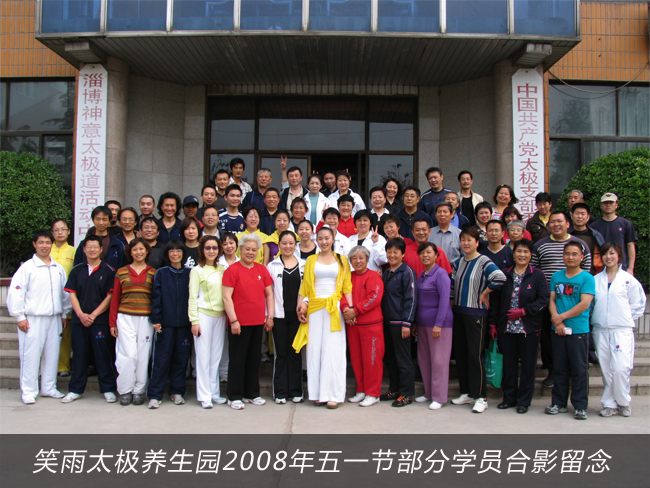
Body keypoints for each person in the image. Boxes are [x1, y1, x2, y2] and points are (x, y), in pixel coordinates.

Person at [7, 230, 71, 404]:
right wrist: (20, 316)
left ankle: (49, 387)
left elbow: (64, 294)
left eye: (48, 242)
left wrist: (64, 313)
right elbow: (16, 292)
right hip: (32, 319)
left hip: (54, 318)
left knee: (52, 355)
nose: (45, 246)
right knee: (30, 355)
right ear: (34, 245)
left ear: (52, 244)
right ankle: (29, 391)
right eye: (41, 242)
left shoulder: (58, 268)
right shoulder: (27, 268)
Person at [488, 239, 549, 414]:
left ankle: (524, 401)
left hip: (528, 328)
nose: (522, 255)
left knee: (528, 366)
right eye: (519, 251)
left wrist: (523, 311)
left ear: (531, 255)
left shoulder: (537, 275)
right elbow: (496, 301)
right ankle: (509, 398)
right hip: (506, 328)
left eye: (526, 252)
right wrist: (493, 324)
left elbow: (543, 300)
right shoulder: (504, 274)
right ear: (513, 254)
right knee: (509, 365)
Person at [531, 211, 592, 388]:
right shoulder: (540, 245)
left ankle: (574, 374)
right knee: (549, 340)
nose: (556, 224)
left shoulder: (580, 245)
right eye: (552, 222)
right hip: (548, 300)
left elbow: (586, 270)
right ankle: (552, 371)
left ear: (567, 224)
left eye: (560, 221)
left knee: (574, 341)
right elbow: (534, 269)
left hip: (574, 301)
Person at [295, 226, 353, 409]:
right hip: (314, 308)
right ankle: (318, 393)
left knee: (334, 350)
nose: (324, 242)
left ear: (333, 238)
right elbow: (305, 286)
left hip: (334, 309)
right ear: (316, 240)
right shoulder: (311, 260)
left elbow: (347, 287)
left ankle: (334, 394)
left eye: (327, 238)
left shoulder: (342, 260)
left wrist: (351, 308)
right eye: (320, 238)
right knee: (315, 350)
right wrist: (300, 306)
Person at [450, 227, 506, 414]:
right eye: (463, 240)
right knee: (461, 355)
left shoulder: (484, 261)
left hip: (476, 314)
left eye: (469, 240)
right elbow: (452, 287)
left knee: (475, 355)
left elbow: (500, 278)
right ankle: (467, 392)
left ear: (476, 242)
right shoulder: (458, 262)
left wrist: (485, 292)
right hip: (459, 312)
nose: (466, 243)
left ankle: (481, 396)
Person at [592, 242, 646, 418]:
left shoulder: (628, 280)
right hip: (600, 329)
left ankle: (623, 401)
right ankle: (609, 404)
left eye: (612, 253)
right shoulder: (596, 280)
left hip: (622, 330)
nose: (608, 257)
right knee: (606, 369)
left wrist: (625, 318)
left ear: (619, 256)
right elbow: (591, 304)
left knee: (621, 367)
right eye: (605, 254)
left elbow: (638, 304)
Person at [60, 235, 117, 404]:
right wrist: (80, 314)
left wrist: (93, 315)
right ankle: (75, 390)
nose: (92, 250)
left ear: (101, 249)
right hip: (79, 321)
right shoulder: (77, 270)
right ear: (84, 249)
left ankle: (108, 389)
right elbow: (72, 294)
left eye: (95, 247)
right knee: (79, 355)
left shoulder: (109, 270)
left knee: (103, 355)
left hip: (100, 321)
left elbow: (110, 296)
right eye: (89, 247)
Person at [223, 233, 275, 410]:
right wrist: (234, 320)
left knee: (254, 359)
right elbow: (226, 297)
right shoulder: (232, 270)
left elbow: (269, 294)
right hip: (239, 323)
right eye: (247, 249)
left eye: (254, 249)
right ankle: (234, 396)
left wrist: (270, 316)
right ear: (240, 249)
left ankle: (251, 394)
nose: (250, 252)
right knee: (237, 360)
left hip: (257, 322)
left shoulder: (262, 270)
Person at [545, 241, 595, 420]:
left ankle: (580, 406)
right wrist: (556, 320)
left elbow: (584, 304)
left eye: (574, 254)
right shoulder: (556, 276)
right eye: (567, 253)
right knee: (559, 368)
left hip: (578, 330)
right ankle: (558, 403)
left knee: (579, 369)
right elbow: (552, 300)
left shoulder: (587, 278)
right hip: (558, 329)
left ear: (581, 257)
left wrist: (561, 317)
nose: (570, 257)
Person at [109, 238, 156, 406]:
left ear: (147, 251)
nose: (138, 252)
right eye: (135, 249)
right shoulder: (121, 272)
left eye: (141, 249)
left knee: (143, 355)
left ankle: (138, 391)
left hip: (146, 318)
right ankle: (125, 390)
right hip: (125, 317)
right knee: (128, 355)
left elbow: (156, 298)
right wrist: (112, 323)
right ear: (130, 252)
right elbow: (115, 298)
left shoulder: (153, 272)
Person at [147, 240, 193, 409]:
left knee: (181, 359)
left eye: (178, 251)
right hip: (165, 324)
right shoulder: (161, 273)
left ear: (183, 253)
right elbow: (156, 297)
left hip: (184, 325)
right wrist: (156, 319)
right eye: (172, 251)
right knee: (161, 359)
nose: (175, 254)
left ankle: (177, 392)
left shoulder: (190, 273)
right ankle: (155, 395)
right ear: (167, 254)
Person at [341, 246, 385, 407]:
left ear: (367, 259)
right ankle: (361, 390)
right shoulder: (349, 276)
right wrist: (346, 310)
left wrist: (356, 311)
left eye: (361, 258)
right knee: (356, 359)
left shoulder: (373, 276)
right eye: (354, 258)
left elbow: (375, 297)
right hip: (353, 325)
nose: (358, 261)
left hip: (371, 326)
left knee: (372, 360)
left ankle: (373, 393)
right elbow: (341, 294)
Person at [188, 236, 228, 409]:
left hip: (220, 317)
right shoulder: (197, 270)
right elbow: (192, 297)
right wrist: (194, 321)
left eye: (214, 248)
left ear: (219, 250)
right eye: (208, 248)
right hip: (203, 315)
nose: (211, 251)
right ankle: (204, 396)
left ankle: (214, 393)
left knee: (216, 357)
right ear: (202, 250)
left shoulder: (223, 270)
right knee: (203, 357)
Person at [267, 231, 306, 404]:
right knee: (281, 354)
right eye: (284, 243)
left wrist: (304, 304)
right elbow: (267, 293)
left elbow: (308, 289)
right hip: (279, 316)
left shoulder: (304, 265)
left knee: (295, 352)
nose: (288, 246)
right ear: (279, 245)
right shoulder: (272, 266)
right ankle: (280, 392)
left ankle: (296, 391)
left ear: (295, 245)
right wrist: (269, 316)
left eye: (291, 243)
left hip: (298, 316)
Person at [414, 242, 453, 410]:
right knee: (424, 359)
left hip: (439, 325)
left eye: (429, 252)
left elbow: (445, 300)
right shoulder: (422, 275)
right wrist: (416, 322)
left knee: (439, 361)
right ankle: (428, 392)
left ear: (437, 255)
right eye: (422, 253)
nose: (425, 256)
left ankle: (439, 397)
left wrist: (439, 323)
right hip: (422, 325)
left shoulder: (441, 274)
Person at [379, 238, 417, 407]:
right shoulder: (387, 272)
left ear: (403, 254)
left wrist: (407, 323)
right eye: (389, 251)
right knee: (391, 359)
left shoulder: (407, 272)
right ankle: (394, 390)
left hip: (401, 324)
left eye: (396, 252)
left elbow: (411, 299)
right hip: (387, 323)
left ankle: (407, 393)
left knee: (403, 360)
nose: (392, 255)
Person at [50, 219, 76, 378]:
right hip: (48, 299)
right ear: (52, 233)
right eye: (56, 230)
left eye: (63, 229)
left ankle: (63, 365)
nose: (60, 233)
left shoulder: (74, 251)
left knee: (66, 335)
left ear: (68, 232)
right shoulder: (47, 250)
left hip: (67, 298)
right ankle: (48, 366)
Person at [591, 193, 638, 275]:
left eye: (611, 202)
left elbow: (630, 246)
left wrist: (630, 268)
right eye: (605, 203)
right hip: (600, 269)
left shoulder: (626, 224)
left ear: (616, 205)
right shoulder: (594, 226)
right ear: (601, 205)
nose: (608, 205)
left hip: (622, 268)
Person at [217, 233, 239, 382]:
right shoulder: (218, 263)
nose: (229, 246)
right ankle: (223, 372)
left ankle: (232, 371)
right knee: (222, 341)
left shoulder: (241, 261)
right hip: (220, 305)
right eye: (225, 244)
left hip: (238, 305)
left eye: (231, 243)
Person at [570, 203, 605, 275]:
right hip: (569, 274)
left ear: (588, 217)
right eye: (577, 213)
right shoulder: (567, 235)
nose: (580, 216)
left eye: (583, 214)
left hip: (591, 275)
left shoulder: (596, 236)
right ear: (572, 216)